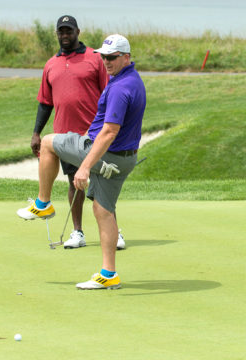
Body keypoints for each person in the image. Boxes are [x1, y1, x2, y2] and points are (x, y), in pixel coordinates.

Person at [17, 34, 145, 289]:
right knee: (103, 210)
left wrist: (85, 167)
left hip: (106, 155)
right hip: (124, 159)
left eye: (112, 57)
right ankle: (109, 275)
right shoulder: (131, 79)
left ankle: (43, 204)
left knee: (48, 143)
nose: (106, 62)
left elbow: (110, 132)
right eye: (104, 57)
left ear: (126, 57)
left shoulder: (119, 88)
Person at [33, 15, 128, 250]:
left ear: (78, 32)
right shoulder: (50, 64)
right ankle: (78, 232)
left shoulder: (95, 59)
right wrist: (37, 132)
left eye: (69, 31)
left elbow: (111, 93)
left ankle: (114, 233)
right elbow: (45, 102)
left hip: (93, 134)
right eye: (61, 32)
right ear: (57, 34)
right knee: (73, 182)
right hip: (64, 134)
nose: (65, 35)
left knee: (100, 184)